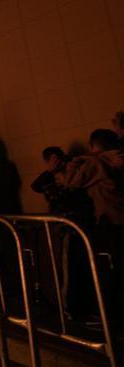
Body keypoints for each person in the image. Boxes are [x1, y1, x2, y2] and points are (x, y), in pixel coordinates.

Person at [54, 129, 124, 315]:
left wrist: (76, 160)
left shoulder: (98, 162)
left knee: (113, 267)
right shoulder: (117, 157)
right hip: (118, 214)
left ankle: (112, 314)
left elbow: (71, 180)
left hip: (111, 218)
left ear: (93, 146)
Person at [31, 146, 94, 317]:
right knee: (66, 267)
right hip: (64, 228)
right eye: (52, 159)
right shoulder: (50, 181)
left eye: (58, 157)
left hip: (76, 225)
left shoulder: (74, 174)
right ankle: (69, 306)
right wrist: (51, 172)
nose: (57, 161)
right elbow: (36, 186)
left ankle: (77, 306)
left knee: (77, 267)